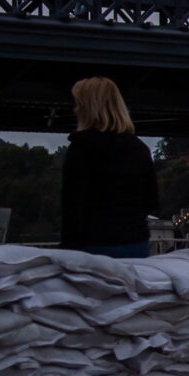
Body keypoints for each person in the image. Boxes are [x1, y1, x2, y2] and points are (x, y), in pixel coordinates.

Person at [59, 76, 159, 257]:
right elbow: (152, 201)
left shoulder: (81, 149)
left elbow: (73, 207)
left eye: (78, 103)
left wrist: (67, 252)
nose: (75, 109)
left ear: (87, 108)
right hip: (136, 244)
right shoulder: (139, 148)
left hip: (93, 246)